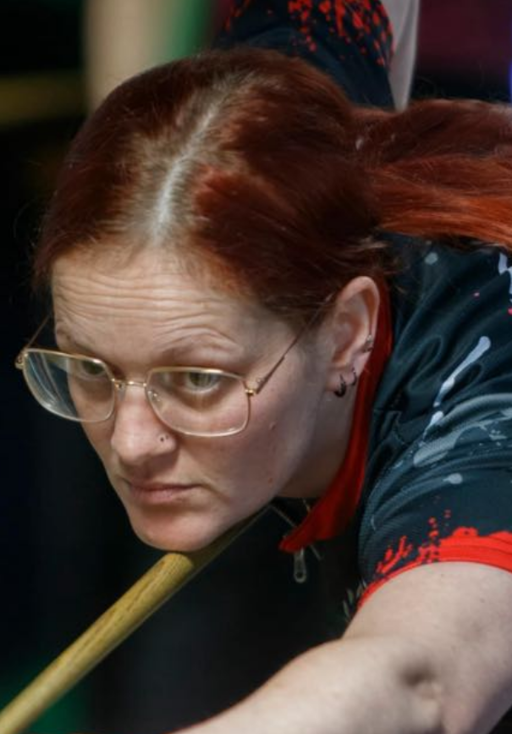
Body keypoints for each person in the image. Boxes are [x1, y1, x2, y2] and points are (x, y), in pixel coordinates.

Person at [15, 1, 512, 733]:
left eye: (197, 379)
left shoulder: (480, 430)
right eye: (89, 367)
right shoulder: (276, 112)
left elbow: (415, 683)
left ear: (346, 333)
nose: (131, 444)